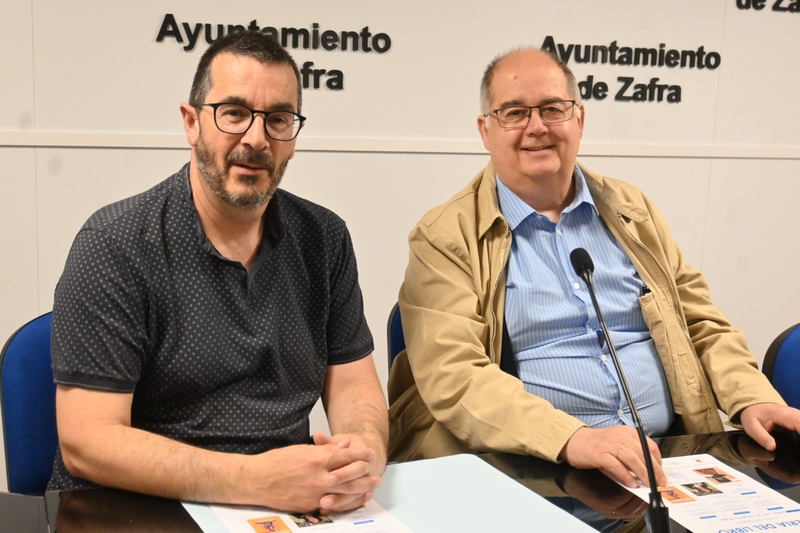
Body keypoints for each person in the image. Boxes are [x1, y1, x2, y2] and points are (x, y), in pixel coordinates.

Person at [387, 46, 800, 489]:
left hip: (667, 458)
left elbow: (700, 323)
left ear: (579, 120)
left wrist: (751, 399)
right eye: (513, 113)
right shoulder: (444, 236)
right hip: (530, 470)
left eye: (552, 108)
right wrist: (572, 438)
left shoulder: (632, 210)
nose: (537, 127)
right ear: (485, 130)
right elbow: (455, 376)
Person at [49, 30, 388, 514]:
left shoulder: (324, 238)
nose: (255, 139)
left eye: (278, 119)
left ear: (294, 136)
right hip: (139, 509)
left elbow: (354, 384)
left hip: (284, 507)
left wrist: (363, 453)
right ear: (192, 123)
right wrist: (255, 481)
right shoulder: (116, 243)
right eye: (233, 114)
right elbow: (87, 440)